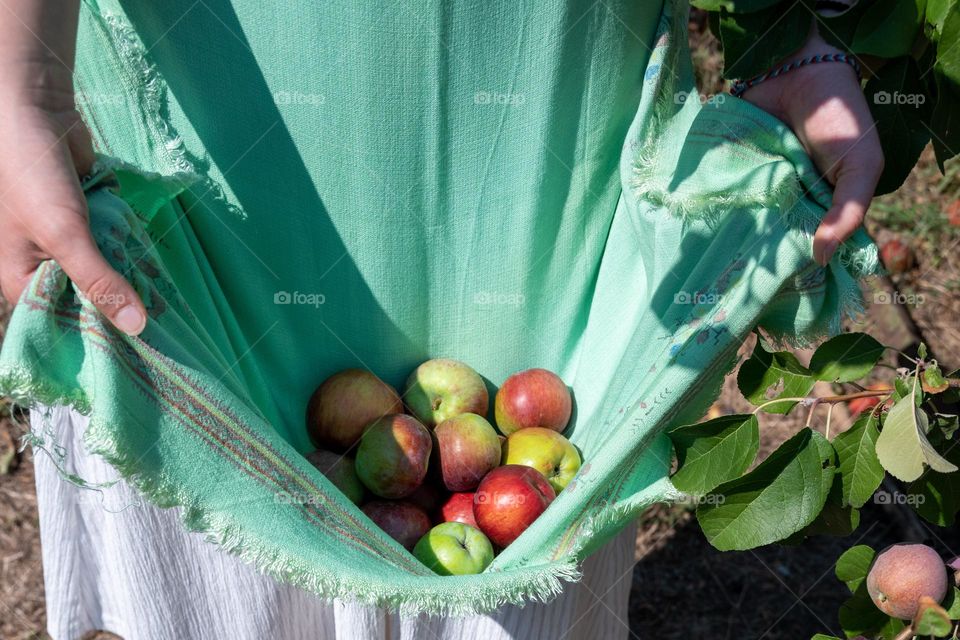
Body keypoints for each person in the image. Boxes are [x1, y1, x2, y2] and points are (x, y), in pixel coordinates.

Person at [0, 1, 882, 638]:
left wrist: (794, 27)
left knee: (531, 570)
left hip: (547, 128)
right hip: (219, 111)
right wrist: (23, 80)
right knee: (229, 556)